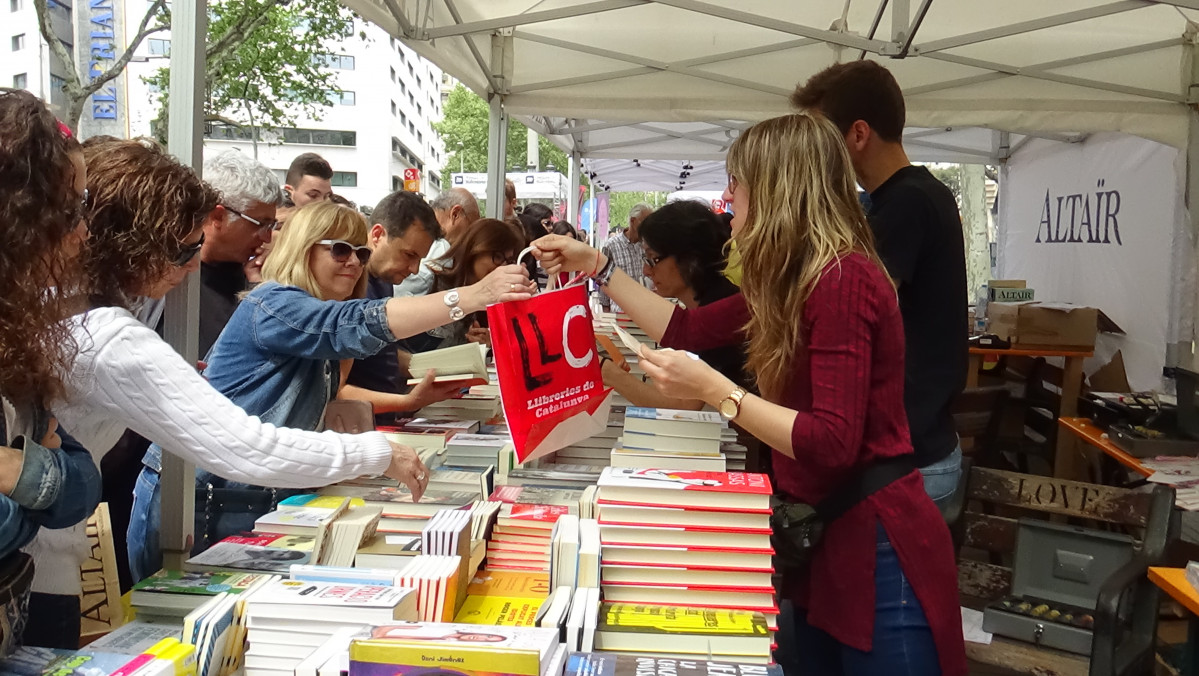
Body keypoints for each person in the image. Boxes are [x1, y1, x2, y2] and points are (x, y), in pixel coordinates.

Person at [533, 113, 966, 675]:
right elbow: (686, 330)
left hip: (876, 544)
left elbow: (833, 441)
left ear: (779, 189)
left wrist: (718, 391)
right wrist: (596, 264)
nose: (728, 198)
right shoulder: (793, 277)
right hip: (830, 535)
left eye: (737, 183)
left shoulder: (842, 279)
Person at [38, 139, 426, 593]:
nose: (191, 267)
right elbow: (244, 445)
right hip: (100, 530)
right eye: (185, 250)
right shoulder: (109, 331)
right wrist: (378, 453)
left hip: (67, 535)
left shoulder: (109, 307)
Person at [192, 202, 532, 547]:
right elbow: (358, 322)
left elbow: (339, 377)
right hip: (209, 498)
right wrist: (475, 295)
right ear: (302, 249)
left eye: (360, 253)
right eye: (339, 250)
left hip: (252, 492)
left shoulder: (315, 307)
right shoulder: (274, 302)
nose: (353, 262)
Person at [792, 61, 967, 506]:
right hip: (917, 450)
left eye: (821, 138)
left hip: (911, 459)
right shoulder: (902, 198)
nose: (814, 152)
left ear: (858, 134)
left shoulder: (907, 202)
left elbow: (852, 309)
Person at [0, 88, 102, 652]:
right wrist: (41, 485)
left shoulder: (20, 327)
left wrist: (25, 475)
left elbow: (82, 485)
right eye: (72, 209)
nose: (84, 232)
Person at [600, 201, 745, 411]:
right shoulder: (711, 301)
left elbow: (683, 406)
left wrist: (609, 373)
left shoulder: (718, 315)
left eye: (653, 259)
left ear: (690, 260)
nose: (646, 271)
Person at [342, 191, 465, 425]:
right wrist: (409, 402)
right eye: (409, 255)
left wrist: (434, 369)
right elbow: (337, 389)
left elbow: (380, 351)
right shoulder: (349, 286)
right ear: (377, 235)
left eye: (420, 259)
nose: (415, 269)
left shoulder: (384, 280)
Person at [398, 218, 525, 354]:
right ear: (475, 249)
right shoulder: (428, 281)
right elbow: (386, 326)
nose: (503, 267)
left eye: (509, 261)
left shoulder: (486, 305)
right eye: (498, 257)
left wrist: (485, 345)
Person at [394, 187, 481, 298]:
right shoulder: (441, 249)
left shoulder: (411, 227)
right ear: (455, 214)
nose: (471, 236)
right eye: (471, 226)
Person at [599, 203, 653, 312]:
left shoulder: (647, 246)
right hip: (620, 312)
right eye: (645, 222)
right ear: (633, 221)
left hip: (644, 312)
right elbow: (603, 279)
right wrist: (606, 310)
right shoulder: (611, 245)